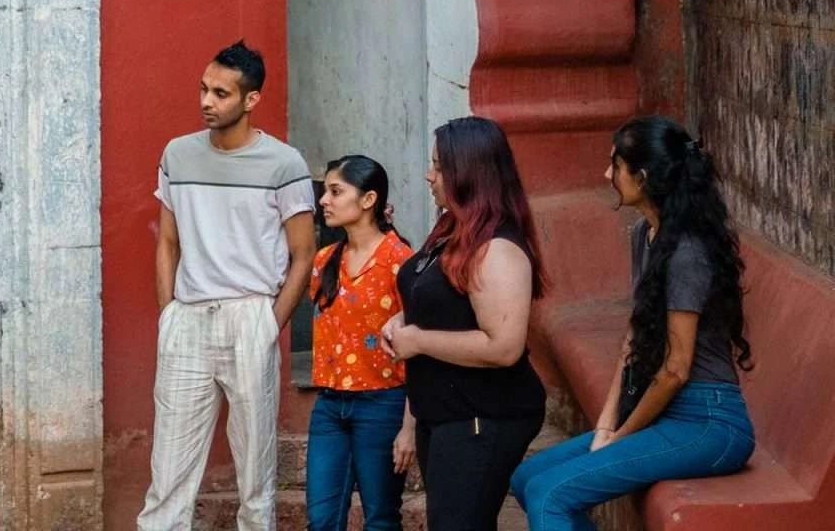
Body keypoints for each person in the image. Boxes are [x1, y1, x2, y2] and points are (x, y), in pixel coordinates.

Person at [510, 116, 755, 531]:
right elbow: (633, 338)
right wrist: (606, 424)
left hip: (709, 423)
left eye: (615, 165)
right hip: (667, 414)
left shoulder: (687, 253)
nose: (606, 174)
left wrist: (621, 437)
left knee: (552, 495)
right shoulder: (646, 234)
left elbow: (676, 370)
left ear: (640, 178)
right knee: (527, 479)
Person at [137, 41, 316, 531]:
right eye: (203, 88)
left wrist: (268, 324)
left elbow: (304, 255)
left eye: (220, 92)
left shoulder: (284, 164)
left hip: (250, 316)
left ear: (251, 100)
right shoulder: (178, 154)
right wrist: (168, 313)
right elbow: (168, 242)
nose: (206, 101)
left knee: (255, 482)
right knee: (167, 477)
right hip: (188, 318)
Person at [381, 116, 548, 530]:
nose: (428, 175)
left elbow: (504, 346)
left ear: (467, 172)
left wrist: (417, 339)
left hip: (483, 417)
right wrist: (404, 318)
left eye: (438, 165)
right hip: (443, 413)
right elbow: (445, 302)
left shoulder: (497, 248)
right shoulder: (451, 231)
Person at [304, 155, 416, 531]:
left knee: (381, 518)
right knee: (321, 519)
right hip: (329, 406)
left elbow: (418, 348)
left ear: (368, 200)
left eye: (336, 191)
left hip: (383, 403)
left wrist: (409, 426)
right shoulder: (324, 261)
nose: (324, 200)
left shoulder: (400, 260)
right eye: (325, 191)